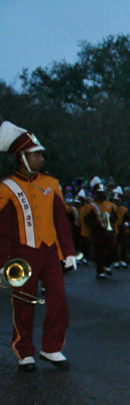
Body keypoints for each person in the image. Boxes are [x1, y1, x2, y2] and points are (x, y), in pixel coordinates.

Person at [0, 121, 77, 371]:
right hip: (22, 254)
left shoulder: (51, 183)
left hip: (50, 251)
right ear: (22, 157)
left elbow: (61, 221)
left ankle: (51, 347)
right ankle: (24, 351)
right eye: (37, 155)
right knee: (23, 303)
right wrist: (3, 263)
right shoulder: (6, 188)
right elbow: (2, 231)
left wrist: (69, 252)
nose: (42, 159)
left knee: (59, 300)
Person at [83, 177, 117, 280]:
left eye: (103, 193)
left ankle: (107, 264)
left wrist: (110, 221)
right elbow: (87, 220)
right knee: (98, 251)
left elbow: (115, 217)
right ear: (95, 194)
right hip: (97, 231)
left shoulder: (110, 205)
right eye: (99, 193)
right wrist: (98, 223)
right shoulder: (90, 206)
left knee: (113, 247)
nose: (102, 195)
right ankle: (100, 270)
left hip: (108, 231)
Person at [112, 186, 129, 268]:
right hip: (113, 228)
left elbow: (127, 218)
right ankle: (115, 260)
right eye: (115, 200)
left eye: (117, 200)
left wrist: (127, 223)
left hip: (122, 228)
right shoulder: (111, 207)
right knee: (114, 245)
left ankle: (122, 260)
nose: (116, 201)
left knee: (123, 244)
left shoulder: (124, 209)